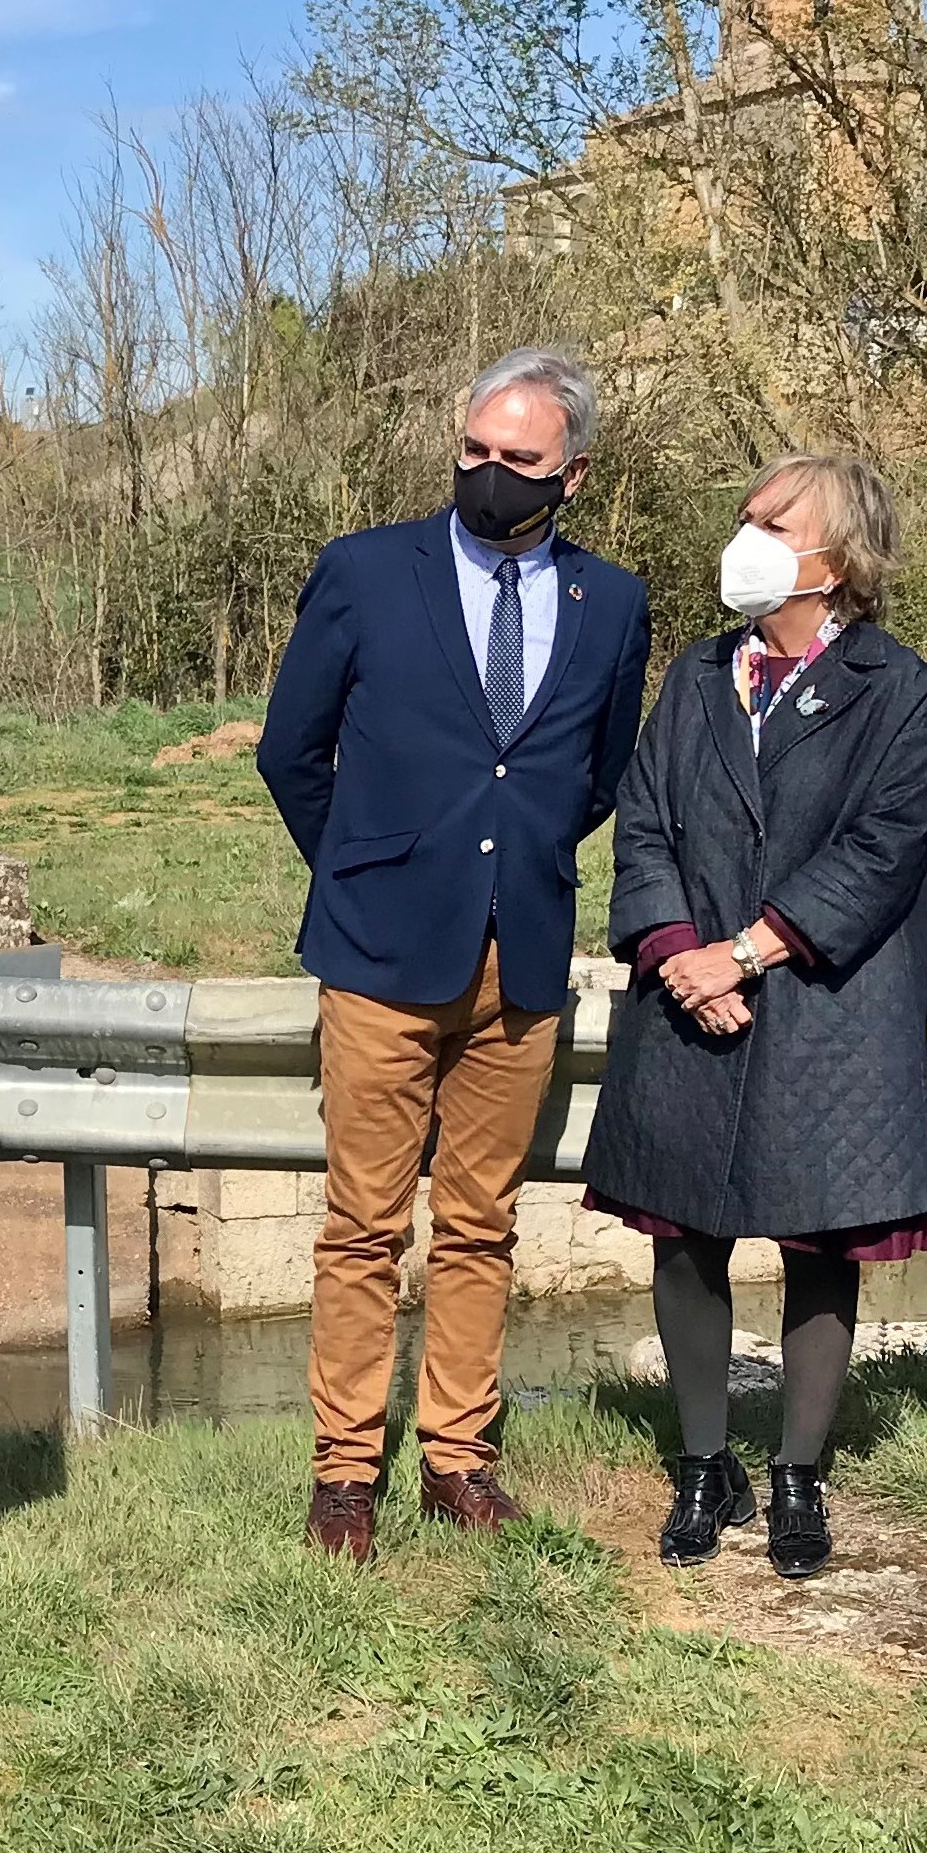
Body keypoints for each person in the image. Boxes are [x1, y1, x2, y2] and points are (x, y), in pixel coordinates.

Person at [257, 348, 653, 1564]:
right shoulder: (368, 572)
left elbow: (595, 774)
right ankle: (343, 1474)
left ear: (571, 473)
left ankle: (459, 1459)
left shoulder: (614, 603)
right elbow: (291, 749)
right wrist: (370, 868)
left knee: (481, 1222)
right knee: (364, 1224)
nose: (489, 474)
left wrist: (505, 864)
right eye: (474, 451)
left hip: (519, 955)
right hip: (379, 953)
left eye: (518, 460)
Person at [581, 456, 927, 1580]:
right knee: (683, 1233)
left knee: (817, 1238)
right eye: (744, 515)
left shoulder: (895, 687)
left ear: (837, 557)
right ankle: (704, 1463)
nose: (744, 535)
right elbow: (641, 825)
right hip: (687, 996)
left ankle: (797, 1468)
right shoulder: (695, 679)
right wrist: (675, 953)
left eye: (771, 521)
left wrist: (746, 951)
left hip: (824, 1006)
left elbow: (883, 849)